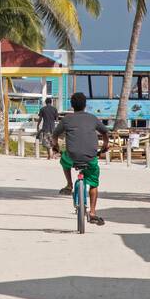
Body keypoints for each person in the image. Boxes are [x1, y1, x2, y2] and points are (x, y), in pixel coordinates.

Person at [53, 92, 111, 225]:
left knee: (63, 160)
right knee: (94, 183)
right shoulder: (93, 118)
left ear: (72, 105)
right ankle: (92, 212)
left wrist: (55, 146)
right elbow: (105, 132)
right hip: (90, 158)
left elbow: (55, 134)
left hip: (71, 157)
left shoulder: (67, 119)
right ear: (85, 105)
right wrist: (105, 146)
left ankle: (69, 184)